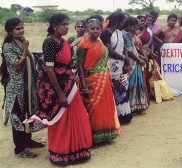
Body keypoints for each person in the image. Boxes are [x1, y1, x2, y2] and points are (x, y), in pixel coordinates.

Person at [24, 13, 92, 165]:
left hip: (69, 86)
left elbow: (67, 64)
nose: (66, 27)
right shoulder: (49, 43)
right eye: (63, 24)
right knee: (61, 121)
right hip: (58, 90)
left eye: (68, 24)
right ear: (54, 26)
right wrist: (60, 95)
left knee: (76, 118)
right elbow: (49, 70)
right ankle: (60, 153)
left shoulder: (64, 42)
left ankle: (77, 151)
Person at [0, 18, 44, 158]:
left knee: (28, 113)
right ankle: (19, 149)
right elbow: (17, 66)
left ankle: (28, 140)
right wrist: (25, 49)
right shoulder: (8, 46)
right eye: (17, 28)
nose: (21, 30)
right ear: (10, 31)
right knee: (18, 117)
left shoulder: (19, 41)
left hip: (27, 87)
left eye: (22, 27)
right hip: (17, 88)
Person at [77, 18, 120, 144]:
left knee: (105, 107)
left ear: (101, 29)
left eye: (98, 28)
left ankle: (106, 134)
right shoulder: (83, 44)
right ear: (87, 29)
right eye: (92, 28)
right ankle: (94, 136)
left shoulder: (100, 41)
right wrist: (84, 85)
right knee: (94, 109)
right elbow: (79, 66)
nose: (95, 31)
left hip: (104, 80)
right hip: (91, 80)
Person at [100, 12, 133, 124]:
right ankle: (115, 117)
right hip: (111, 66)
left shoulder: (119, 33)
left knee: (122, 88)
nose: (124, 23)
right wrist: (124, 58)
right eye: (122, 21)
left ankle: (124, 115)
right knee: (114, 89)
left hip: (121, 64)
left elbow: (124, 48)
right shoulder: (105, 33)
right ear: (117, 22)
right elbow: (110, 51)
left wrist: (126, 60)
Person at [122, 17, 149, 114]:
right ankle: (132, 107)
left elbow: (135, 49)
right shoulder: (126, 35)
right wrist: (139, 59)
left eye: (136, 27)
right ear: (129, 26)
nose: (136, 29)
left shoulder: (130, 34)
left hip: (135, 61)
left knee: (137, 84)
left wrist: (141, 57)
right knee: (132, 84)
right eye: (134, 27)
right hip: (131, 63)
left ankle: (138, 105)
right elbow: (129, 51)